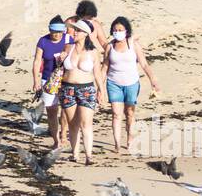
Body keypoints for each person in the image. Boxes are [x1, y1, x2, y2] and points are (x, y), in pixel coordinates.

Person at [102, 16, 161, 153]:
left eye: (120, 29)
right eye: (115, 30)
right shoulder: (110, 47)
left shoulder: (133, 44)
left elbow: (144, 64)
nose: (118, 32)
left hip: (131, 83)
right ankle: (117, 144)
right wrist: (100, 87)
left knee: (129, 113)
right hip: (113, 83)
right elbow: (105, 67)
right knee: (116, 114)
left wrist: (153, 80)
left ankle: (129, 139)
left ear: (126, 31)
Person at [58, 19, 103, 163]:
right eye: (74, 29)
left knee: (86, 123)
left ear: (86, 34)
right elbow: (60, 67)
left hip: (86, 89)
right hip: (67, 88)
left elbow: (97, 73)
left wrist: (101, 90)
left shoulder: (93, 52)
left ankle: (89, 156)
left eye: (78, 30)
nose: (74, 32)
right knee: (72, 123)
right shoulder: (67, 47)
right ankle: (75, 154)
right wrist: (60, 60)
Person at [32, 15, 72, 149]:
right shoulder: (43, 41)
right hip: (47, 79)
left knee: (66, 109)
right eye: (54, 31)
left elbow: (70, 48)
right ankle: (56, 140)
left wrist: (65, 53)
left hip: (65, 79)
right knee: (51, 110)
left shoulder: (68, 39)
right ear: (49, 30)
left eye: (59, 32)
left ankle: (64, 135)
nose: (57, 34)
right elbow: (37, 61)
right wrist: (36, 81)